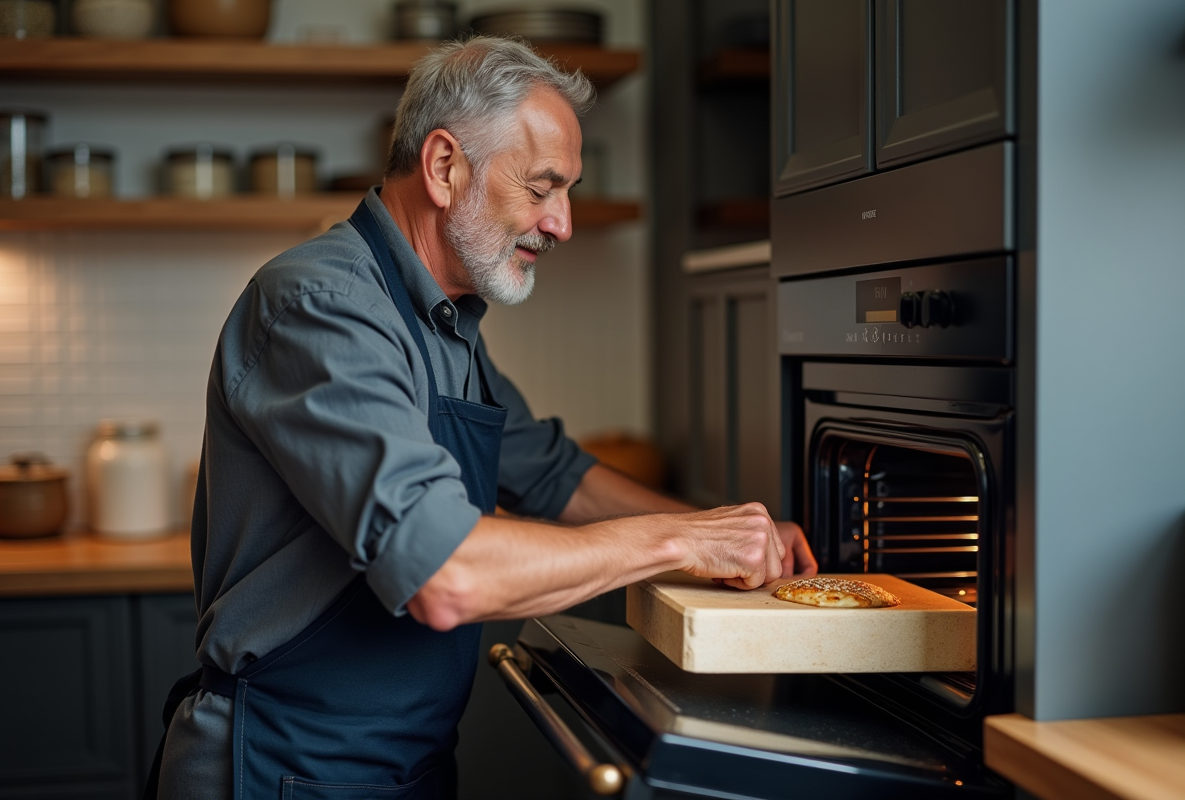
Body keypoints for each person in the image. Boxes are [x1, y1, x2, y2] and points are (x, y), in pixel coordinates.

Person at [151, 35, 816, 800]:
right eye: (542, 187)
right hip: (284, 765)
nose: (561, 222)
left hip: (403, 763)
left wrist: (728, 536)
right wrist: (681, 541)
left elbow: (550, 471)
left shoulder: (443, 321)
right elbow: (444, 573)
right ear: (443, 167)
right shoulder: (321, 306)